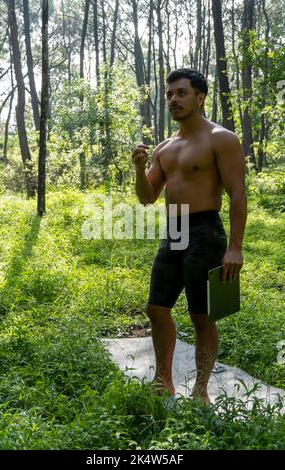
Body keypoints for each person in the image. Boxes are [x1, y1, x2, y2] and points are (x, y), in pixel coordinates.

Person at [131, 68, 247, 405]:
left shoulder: (220, 138)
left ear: (200, 96)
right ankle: (163, 381)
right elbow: (147, 196)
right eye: (169, 95)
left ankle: (201, 391)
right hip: (175, 229)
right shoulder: (165, 148)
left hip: (206, 229)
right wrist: (140, 170)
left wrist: (235, 247)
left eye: (181, 93)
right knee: (156, 308)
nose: (173, 100)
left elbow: (237, 194)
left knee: (202, 315)